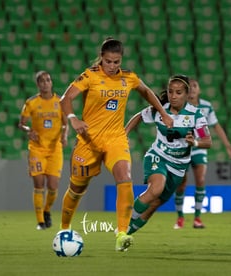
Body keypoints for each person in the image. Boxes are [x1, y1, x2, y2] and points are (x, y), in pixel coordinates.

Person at [58, 37, 173, 252]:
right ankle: (64, 228)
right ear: (101, 58)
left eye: (116, 62)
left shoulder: (128, 77)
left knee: (124, 177)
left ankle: (121, 233)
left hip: (115, 138)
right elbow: (65, 99)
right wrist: (73, 118)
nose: (112, 66)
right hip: (89, 141)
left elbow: (147, 91)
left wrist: (164, 113)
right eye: (108, 61)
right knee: (76, 188)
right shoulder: (90, 76)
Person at [124, 74, 212, 235]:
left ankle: (126, 234)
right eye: (171, 92)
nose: (173, 96)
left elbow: (207, 141)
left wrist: (195, 143)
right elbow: (139, 117)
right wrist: (125, 134)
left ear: (186, 94)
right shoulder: (160, 110)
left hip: (179, 166)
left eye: (178, 92)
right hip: (158, 156)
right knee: (156, 188)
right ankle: (123, 226)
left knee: (155, 204)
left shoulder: (196, 115)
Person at [173, 79, 231, 229]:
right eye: (190, 87)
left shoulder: (206, 107)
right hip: (181, 149)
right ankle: (180, 218)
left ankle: (197, 218)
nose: (193, 89)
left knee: (200, 180)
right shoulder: (179, 106)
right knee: (181, 183)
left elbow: (216, 126)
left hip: (199, 148)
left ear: (199, 90)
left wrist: (227, 145)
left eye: (195, 86)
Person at [18, 71, 69, 230]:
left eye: (48, 80)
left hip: (55, 149)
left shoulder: (60, 102)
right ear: (38, 85)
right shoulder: (31, 102)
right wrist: (28, 130)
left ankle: (47, 210)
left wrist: (65, 136)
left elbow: (66, 123)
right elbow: (21, 123)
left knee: (53, 186)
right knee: (39, 184)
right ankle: (40, 221)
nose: (45, 83)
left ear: (51, 82)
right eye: (42, 81)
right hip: (37, 149)